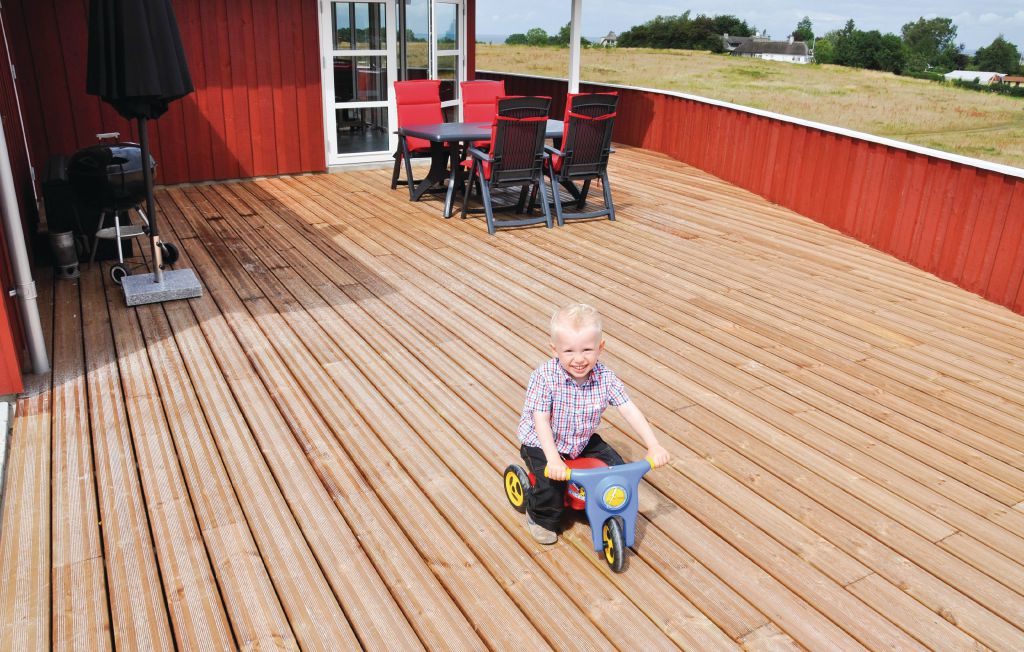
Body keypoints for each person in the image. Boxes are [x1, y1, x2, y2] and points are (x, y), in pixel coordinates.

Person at [517, 303, 670, 544]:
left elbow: (628, 409)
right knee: (551, 485)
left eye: (587, 350)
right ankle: (541, 517)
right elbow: (541, 421)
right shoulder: (544, 378)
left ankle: (603, 503)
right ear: (554, 350)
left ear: (600, 347)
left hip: (581, 440)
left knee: (616, 469)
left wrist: (653, 445)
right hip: (543, 442)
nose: (579, 359)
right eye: (569, 351)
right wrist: (554, 459)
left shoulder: (604, 377)